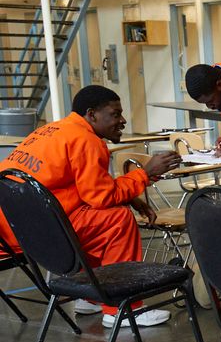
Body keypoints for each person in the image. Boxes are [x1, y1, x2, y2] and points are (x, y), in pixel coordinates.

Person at [0, 85, 182, 326]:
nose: (122, 120)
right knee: (117, 220)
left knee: (97, 219)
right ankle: (120, 307)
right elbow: (101, 198)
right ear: (92, 114)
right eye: (115, 114)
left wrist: (129, 196)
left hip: (12, 229)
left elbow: (81, 187)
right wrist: (144, 174)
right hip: (36, 232)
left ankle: (90, 295)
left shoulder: (53, 130)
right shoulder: (87, 140)